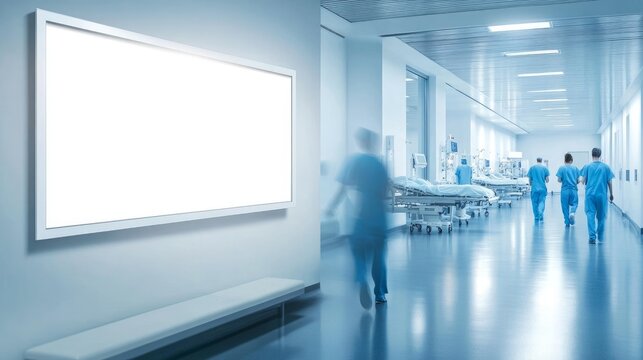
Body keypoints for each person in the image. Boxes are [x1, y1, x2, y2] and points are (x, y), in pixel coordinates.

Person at [327, 128, 389, 308]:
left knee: (357, 250)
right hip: (379, 216)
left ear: (360, 142)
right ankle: (380, 294)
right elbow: (385, 192)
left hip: (362, 215)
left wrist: (331, 208)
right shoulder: (380, 164)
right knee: (379, 256)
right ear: (373, 143)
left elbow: (342, 189)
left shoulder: (353, 161)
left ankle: (362, 278)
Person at [580, 148, 614, 244]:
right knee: (601, 215)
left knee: (590, 214)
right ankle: (601, 236)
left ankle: (592, 237)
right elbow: (609, 182)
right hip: (602, 195)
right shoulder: (606, 167)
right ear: (600, 155)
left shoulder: (587, 166)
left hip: (590, 195)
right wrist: (611, 194)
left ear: (592, 155)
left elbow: (582, 181)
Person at [555, 153, 580, 226]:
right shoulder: (575, 168)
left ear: (564, 160)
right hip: (573, 190)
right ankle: (572, 212)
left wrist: (564, 179)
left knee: (565, 206)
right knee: (575, 203)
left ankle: (567, 222)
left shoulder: (561, 168)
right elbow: (578, 181)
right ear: (571, 160)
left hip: (565, 190)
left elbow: (559, 180)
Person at [527, 157, 550, 222]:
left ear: (536, 160)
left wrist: (531, 184)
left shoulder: (532, 168)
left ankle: (536, 217)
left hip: (534, 188)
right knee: (542, 201)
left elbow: (530, 179)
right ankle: (540, 213)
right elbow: (547, 180)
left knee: (534, 202)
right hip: (542, 188)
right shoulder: (545, 168)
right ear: (541, 161)